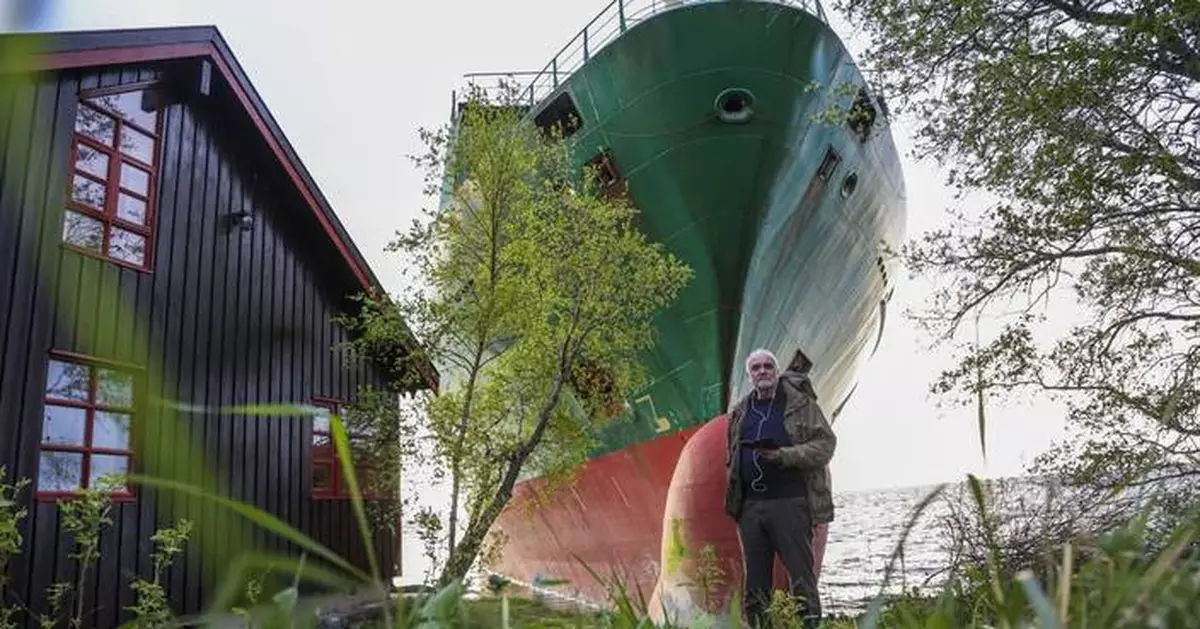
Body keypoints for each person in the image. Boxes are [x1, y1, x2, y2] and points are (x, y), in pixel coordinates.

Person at [723, 348, 836, 629]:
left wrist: (785, 455)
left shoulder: (800, 404)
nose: (763, 372)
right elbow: (732, 455)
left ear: (776, 370)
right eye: (756, 368)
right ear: (749, 376)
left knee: (801, 577)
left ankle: (809, 626)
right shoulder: (740, 412)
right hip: (751, 508)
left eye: (768, 367)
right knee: (755, 585)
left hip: (790, 504)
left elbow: (826, 445)